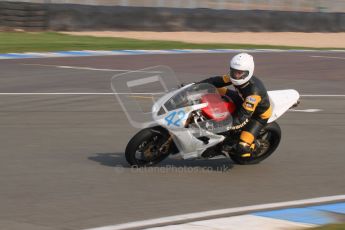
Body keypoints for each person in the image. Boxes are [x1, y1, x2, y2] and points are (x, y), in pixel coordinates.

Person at [199, 53, 272, 158]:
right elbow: (215, 81)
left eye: (239, 73)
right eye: (233, 71)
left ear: (248, 72)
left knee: (242, 149)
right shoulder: (233, 76)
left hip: (257, 116)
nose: (236, 75)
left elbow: (242, 118)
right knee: (212, 89)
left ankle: (253, 146)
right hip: (241, 99)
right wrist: (196, 85)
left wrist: (222, 126)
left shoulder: (253, 94)